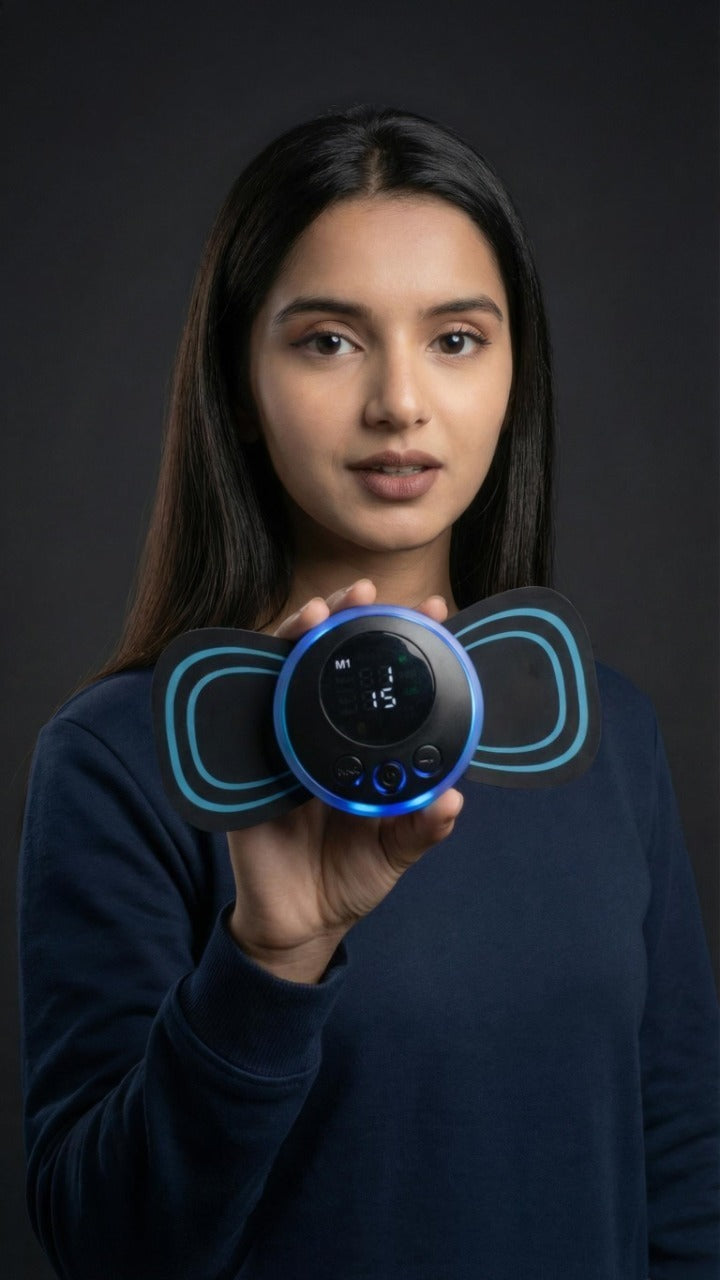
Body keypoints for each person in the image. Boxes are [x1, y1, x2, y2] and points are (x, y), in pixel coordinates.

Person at [18, 104, 719, 1279]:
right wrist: (271, 955)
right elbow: (109, 1246)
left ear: (513, 373)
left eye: (456, 338)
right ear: (240, 381)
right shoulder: (127, 758)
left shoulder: (598, 726)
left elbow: (687, 1172)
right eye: (329, 340)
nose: (399, 401)